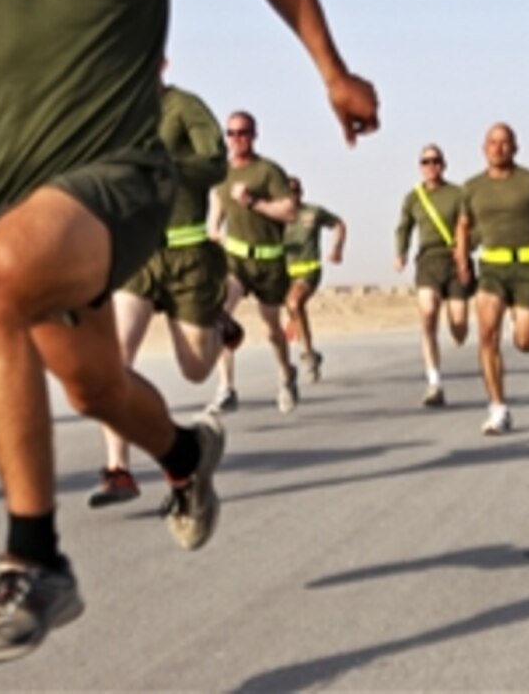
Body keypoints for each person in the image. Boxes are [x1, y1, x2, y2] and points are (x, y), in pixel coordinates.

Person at [0, 0, 378, 667]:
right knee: (94, 386)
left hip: (123, 177)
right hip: (18, 200)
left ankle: (35, 559)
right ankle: (186, 456)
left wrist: (332, 71)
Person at [87, 75, 240, 509]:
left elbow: (216, 163)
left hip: (189, 254)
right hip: (137, 255)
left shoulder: (185, 107)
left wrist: (166, 168)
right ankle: (119, 470)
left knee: (195, 369)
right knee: (114, 358)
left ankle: (215, 318)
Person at [455, 123, 529, 435]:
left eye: (505, 142)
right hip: (492, 269)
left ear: (515, 148)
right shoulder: (471, 187)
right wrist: (462, 261)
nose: (498, 148)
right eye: (492, 142)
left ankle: (519, 319)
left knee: (525, 342)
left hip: (528, 267)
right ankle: (498, 408)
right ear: (484, 148)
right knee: (487, 336)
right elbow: (464, 226)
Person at [206, 111, 301, 415]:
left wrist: (253, 202)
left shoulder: (268, 171)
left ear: (254, 134)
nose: (237, 138)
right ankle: (226, 388)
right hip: (236, 260)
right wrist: (213, 233)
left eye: (243, 132)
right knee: (221, 317)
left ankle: (286, 376)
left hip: (269, 263)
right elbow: (216, 211)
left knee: (271, 330)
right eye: (231, 133)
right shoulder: (223, 173)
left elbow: (290, 212)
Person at [394, 144, 474, 407]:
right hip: (427, 261)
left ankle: (459, 329)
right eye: (425, 162)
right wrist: (401, 253)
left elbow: (471, 226)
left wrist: (465, 252)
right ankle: (434, 382)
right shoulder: (413, 197)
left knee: (459, 325)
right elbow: (403, 227)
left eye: (435, 161)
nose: (431, 166)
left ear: (443, 164)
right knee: (427, 315)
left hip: (454, 260)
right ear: (420, 166)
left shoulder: (458, 194)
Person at [283, 176, 347, 382]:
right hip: (285, 274)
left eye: (294, 191)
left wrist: (337, 248)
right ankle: (310, 352)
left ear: (301, 192)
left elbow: (338, 224)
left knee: (294, 303)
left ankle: (307, 355)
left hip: (309, 270)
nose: (291, 195)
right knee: (293, 309)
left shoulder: (312, 212)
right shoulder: (276, 216)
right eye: (287, 191)